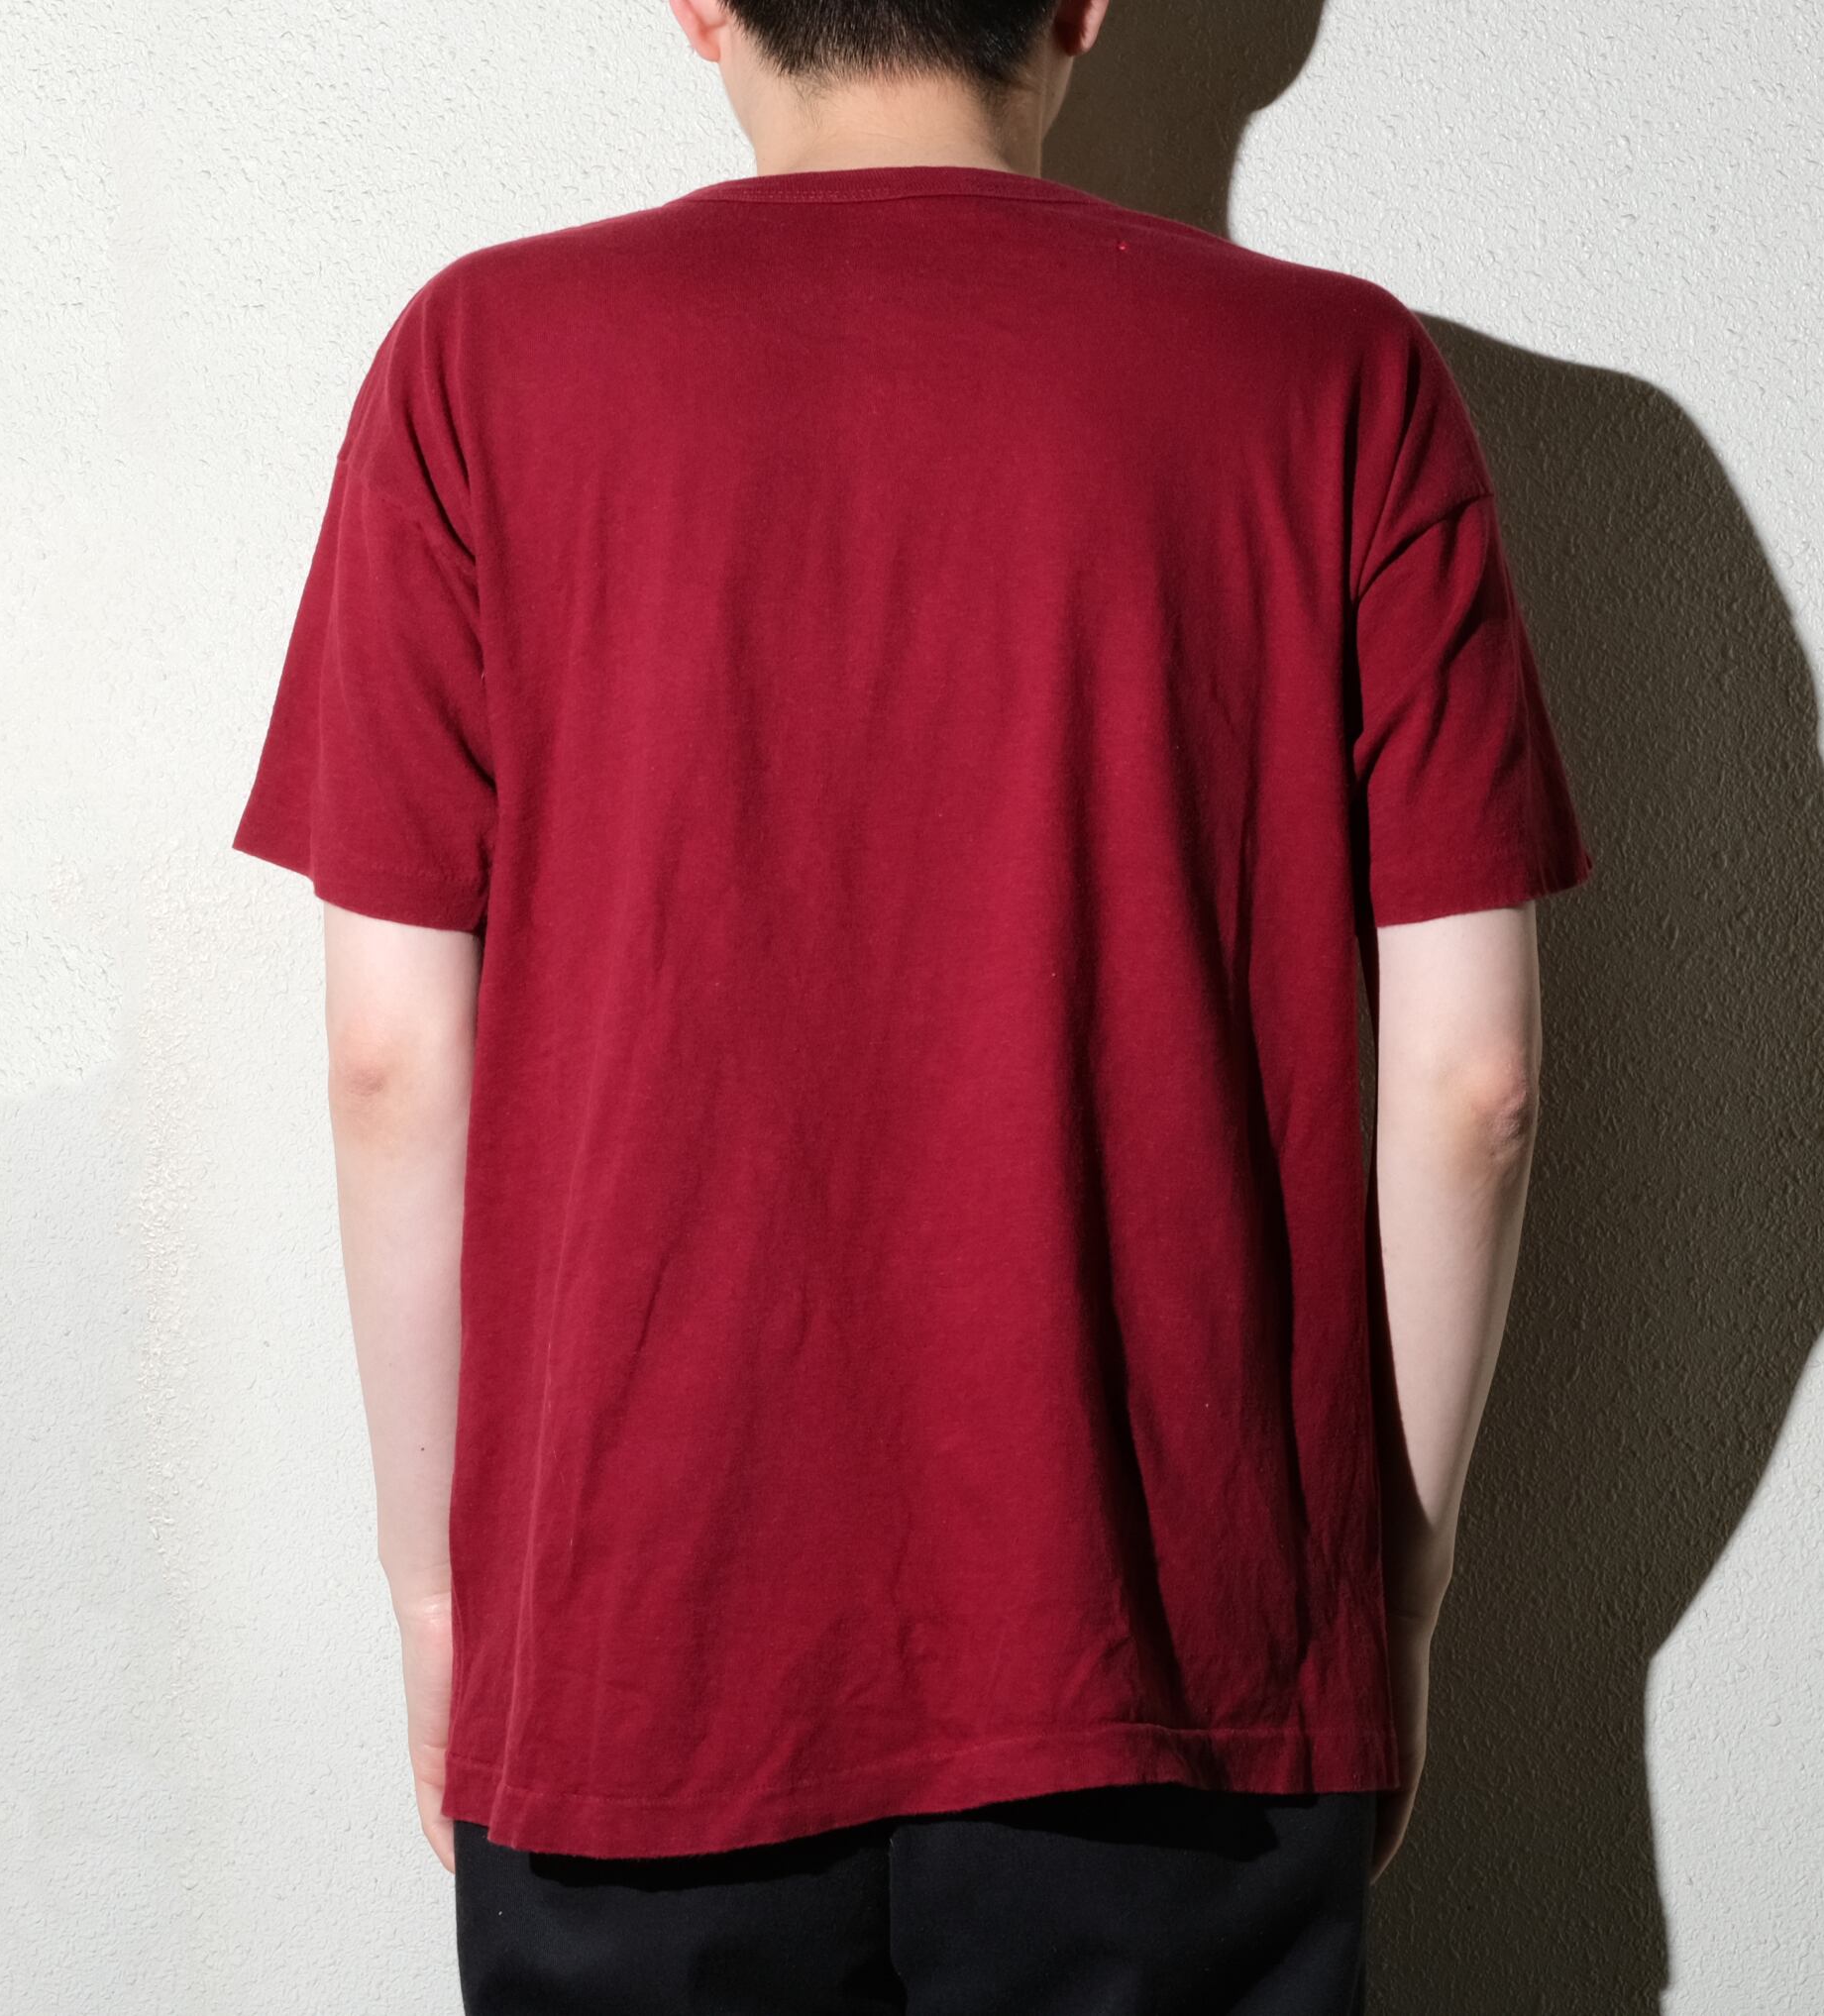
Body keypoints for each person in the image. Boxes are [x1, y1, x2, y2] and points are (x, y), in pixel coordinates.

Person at [231, 1, 1593, 2007]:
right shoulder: (1338, 377)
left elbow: (387, 1059)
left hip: (634, 1653)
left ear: (700, 4)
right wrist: (1390, 1588)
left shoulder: (480, 360)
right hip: (1181, 1667)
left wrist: (439, 1604)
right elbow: (1475, 1081)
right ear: (1082, 4)